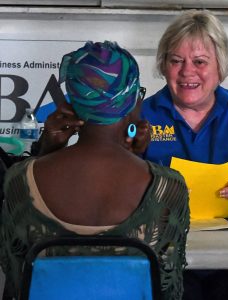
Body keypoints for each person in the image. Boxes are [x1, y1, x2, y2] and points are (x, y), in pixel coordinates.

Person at [27, 10, 228, 300]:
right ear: (163, 66)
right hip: (159, 259)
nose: (187, 71)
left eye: (200, 62)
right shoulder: (138, 114)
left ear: (221, 66)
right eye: (175, 61)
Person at [0, 40, 190, 300]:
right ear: (131, 101)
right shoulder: (169, 187)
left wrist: (47, 153)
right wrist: (133, 158)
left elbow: (16, 279)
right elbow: (168, 288)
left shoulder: (20, 179)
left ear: (72, 103)